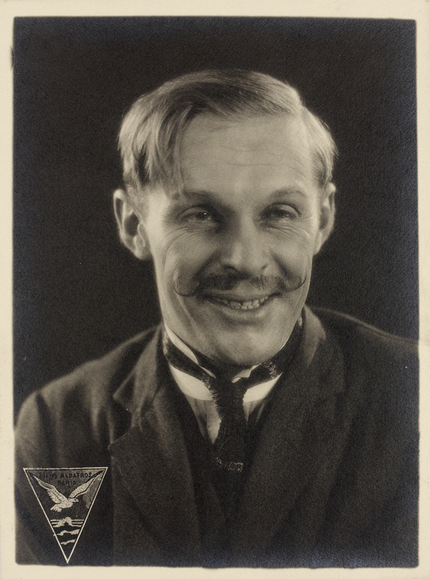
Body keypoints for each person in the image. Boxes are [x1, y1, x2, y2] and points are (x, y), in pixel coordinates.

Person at [15, 70, 418, 567]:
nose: (246, 261)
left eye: (281, 212)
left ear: (324, 219)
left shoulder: (414, 402)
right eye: (202, 214)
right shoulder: (56, 431)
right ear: (134, 225)